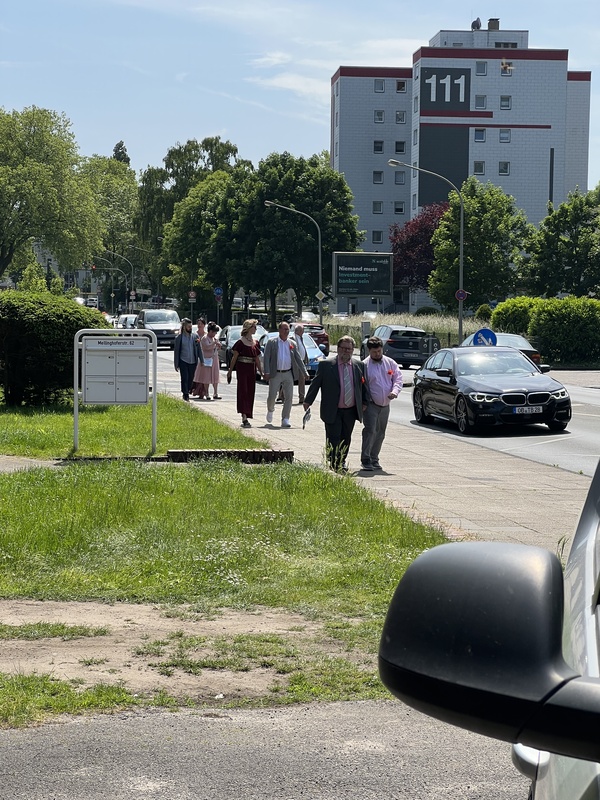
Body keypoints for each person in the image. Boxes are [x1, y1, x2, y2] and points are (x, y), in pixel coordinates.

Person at [303, 335, 367, 472]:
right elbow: (316, 383)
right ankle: (333, 462)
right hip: (332, 408)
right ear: (337, 349)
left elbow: (363, 386)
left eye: (349, 349)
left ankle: (341, 461)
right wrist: (308, 400)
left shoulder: (359, 366)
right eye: (343, 348)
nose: (346, 351)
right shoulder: (326, 365)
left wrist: (365, 401)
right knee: (333, 437)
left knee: (346, 437)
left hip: (350, 409)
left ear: (352, 350)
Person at [361, 336, 403, 471]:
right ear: (369, 351)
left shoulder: (390, 363)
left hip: (385, 405)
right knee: (370, 431)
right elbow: (362, 386)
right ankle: (366, 459)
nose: (377, 354)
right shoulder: (364, 366)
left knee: (380, 433)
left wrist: (395, 392)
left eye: (379, 351)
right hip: (370, 404)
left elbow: (398, 379)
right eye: (374, 352)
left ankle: (374, 458)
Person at [264, 321, 308, 428]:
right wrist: (267, 372)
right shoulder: (272, 342)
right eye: (284, 329)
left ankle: (285, 418)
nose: (286, 331)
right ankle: (270, 409)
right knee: (272, 396)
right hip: (275, 373)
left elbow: (298, 359)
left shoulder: (292, 343)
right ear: (279, 330)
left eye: (287, 329)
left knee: (289, 397)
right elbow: (266, 358)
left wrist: (305, 372)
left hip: (288, 373)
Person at [227, 318, 263, 427]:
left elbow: (257, 359)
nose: (255, 329)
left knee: (250, 391)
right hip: (242, 369)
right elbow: (234, 358)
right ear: (249, 328)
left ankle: (248, 413)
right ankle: (244, 416)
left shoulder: (255, 342)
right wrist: (230, 371)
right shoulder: (240, 342)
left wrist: (261, 372)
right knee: (243, 390)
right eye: (254, 327)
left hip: (252, 369)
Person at [174, 318, 202, 402]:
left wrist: (202, 360)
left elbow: (199, 349)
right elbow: (176, 352)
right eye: (188, 327)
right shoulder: (179, 338)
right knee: (184, 378)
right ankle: (185, 394)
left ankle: (188, 389)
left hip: (193, 361)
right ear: (184, 327)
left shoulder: (195, 336)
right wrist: (176, 364)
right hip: (183, 361)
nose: (190, 328)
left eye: (191, 327)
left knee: (191, 378)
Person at [193, 321, 221, 400]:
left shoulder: (214, 338)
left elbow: (216, 347)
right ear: (210, 331)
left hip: (214, 359)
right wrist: (214, 343)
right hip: (207, 359)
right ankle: (207, 393)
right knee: (207, 377)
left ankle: (215, 393)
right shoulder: (204, 338)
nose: (215, 334)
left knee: (215, 376)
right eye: (214, 332)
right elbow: (206, 347)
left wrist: (218, 345)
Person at [191, 318, 207, 398]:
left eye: (201, 324)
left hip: (205, 357)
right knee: (197, 374)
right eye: (198, 324)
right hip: (196, 357)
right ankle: (196, 390)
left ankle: (202, 392)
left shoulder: (206, 335)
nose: (199, 325)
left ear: (204, 325)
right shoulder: (194, 335)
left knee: (204, 375)